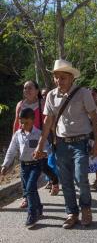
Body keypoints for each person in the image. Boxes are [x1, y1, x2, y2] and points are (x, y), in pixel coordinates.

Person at [34, 59, 97, 229]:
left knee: (80, 178)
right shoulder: (50, 95)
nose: (58, 80)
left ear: (71, 78)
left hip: (80, 142)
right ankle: (72, 213)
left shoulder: (83, 93)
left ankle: (86, 208)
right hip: (61, 143)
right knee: (66, 180)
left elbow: (94, 118)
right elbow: (48, 122)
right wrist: (40, 146)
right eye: (56, 77)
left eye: (62, 77)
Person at [2, 108, 51, 228]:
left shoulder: (39, 133)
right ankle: (38, 207)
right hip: (24, 166)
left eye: (26, 123)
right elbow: (11, 150)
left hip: (36, 164)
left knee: (29, 189)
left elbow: (48, 149)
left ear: (33, 120)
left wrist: (43, 153)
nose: (23, 125)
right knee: (31, 188)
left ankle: (32, 214)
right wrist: (5, 164)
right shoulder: (17, 134)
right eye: (21, 122)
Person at [13, 81, 59, 209]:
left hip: (41, 141)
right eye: (25, 88)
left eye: (30, 88)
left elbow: (50, 122)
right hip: (24, 142)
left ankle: (54, 180)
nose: (27, 90)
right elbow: (17, 123)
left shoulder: (43, 104)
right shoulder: (20, 105)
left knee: (43, 166)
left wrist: (54, 138)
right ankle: (26, 197)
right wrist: (15, 140)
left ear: (37, 90)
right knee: (24, 170)